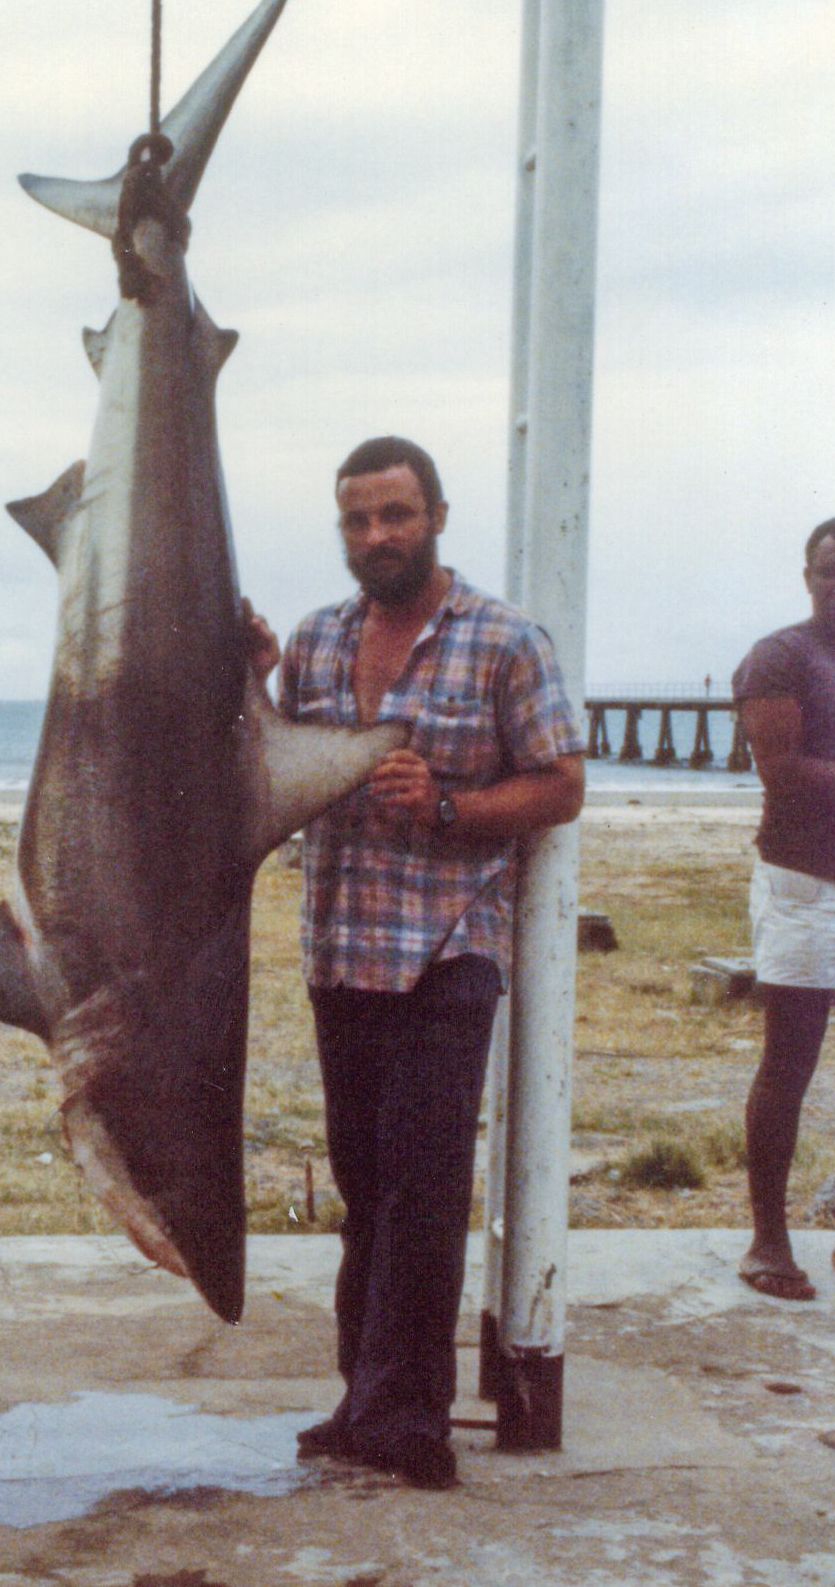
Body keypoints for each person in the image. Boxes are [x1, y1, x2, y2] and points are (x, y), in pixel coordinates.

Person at [248, 435, 584, 1488]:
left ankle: (414, 1418)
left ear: (435, 512)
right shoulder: (315, 639)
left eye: (395, 514)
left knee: (425, 1189)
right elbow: (268, 757)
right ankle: (364, 1395)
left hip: (447, 948)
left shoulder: (502, 638)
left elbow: (561, 782)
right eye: (356, 518)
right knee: (365, 1185)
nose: (376, 536)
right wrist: (251, 675)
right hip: (342, 949)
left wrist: (448, 806)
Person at [732, 514, 835, 1302]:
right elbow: (783, 770)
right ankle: (769, 1241)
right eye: (827, 571)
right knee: (790, 1066)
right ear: (807, 576)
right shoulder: (781, 656)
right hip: (805, 887)